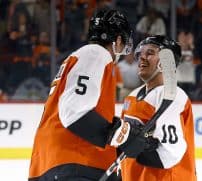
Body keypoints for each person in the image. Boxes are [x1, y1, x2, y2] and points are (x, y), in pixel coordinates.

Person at [28, 9, 148, 181]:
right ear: (118, 40)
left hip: (53, 161)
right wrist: (121, 133)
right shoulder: (96, 54)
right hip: (75, 161)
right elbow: (74, 111)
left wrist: (121, 141)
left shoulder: (79, 58)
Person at [119, 35, 197, 181]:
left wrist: (130, 146)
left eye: (149, 53)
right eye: (140, 54)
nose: (142, 58)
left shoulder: (172, 96)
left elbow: (168, 154)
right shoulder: (132, 96)